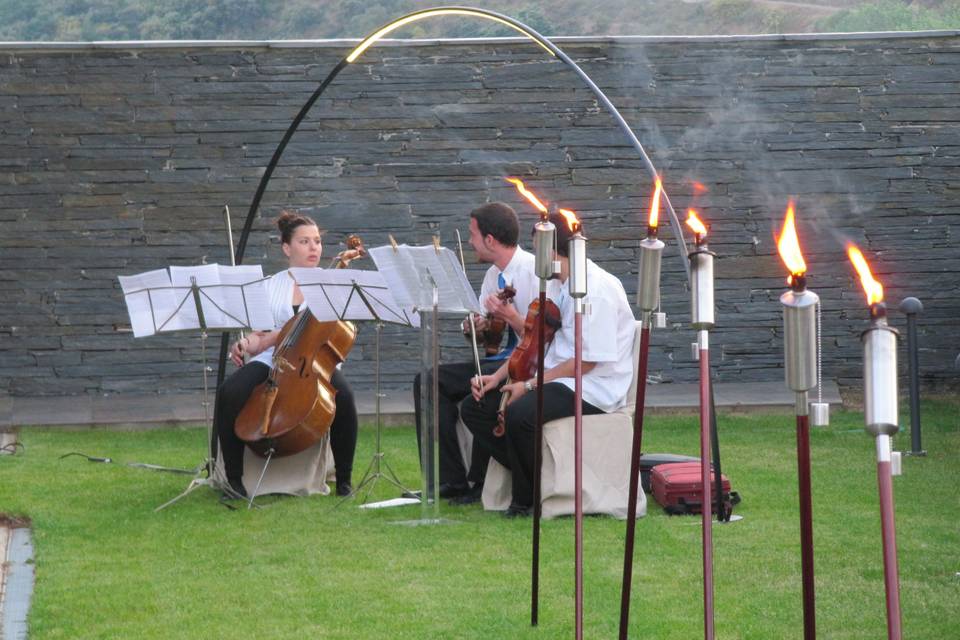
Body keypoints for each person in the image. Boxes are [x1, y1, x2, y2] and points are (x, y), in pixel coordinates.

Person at [460, 212, 637, 517]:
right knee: (474, 407)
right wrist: (497, 377)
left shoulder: (598, 288)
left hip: (592, 388)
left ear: (553, 253)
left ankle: (525, 500)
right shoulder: (556, 285)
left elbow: (586, 363)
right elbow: (535, 341)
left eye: (537, 250)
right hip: (557, 377)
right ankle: (537, 474)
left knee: (520, 414)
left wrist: (527, 386)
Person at [213, 210, 358, 498]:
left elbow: (339, 330)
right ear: (287, 248)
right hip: (273, 358)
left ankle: (344, 480)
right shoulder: (271, 284)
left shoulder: (333, 284)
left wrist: (276, 336)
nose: (314, 247)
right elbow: (259, 336)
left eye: (317, 241)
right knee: (230, 392)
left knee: (345, 398)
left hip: (314, 361)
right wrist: (245, 345)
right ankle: (234, 478)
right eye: (304, 241)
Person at [413, 202, 540, 504]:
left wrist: (509, 315)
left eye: (472, 235)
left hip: (528, 365)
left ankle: (475, 480)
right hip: (499, 360)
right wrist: (476, 328)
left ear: (490, 239)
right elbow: (490, 342)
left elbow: (542, 340)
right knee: (428, 381)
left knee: (474, 393)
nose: (470, 242)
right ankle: (449, 478)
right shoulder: (491, 276)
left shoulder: (534, 273)